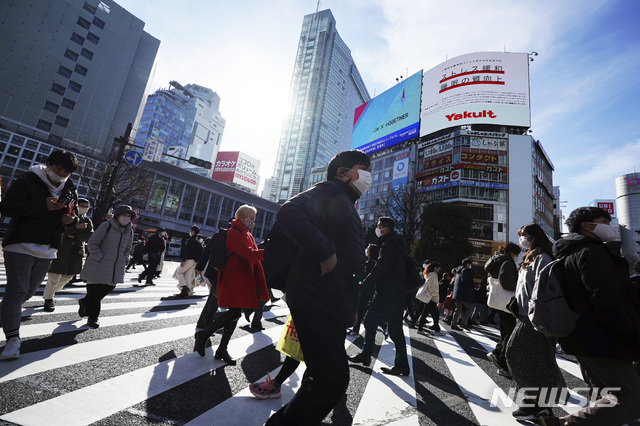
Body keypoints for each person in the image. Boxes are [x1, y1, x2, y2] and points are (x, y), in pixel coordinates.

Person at [265, 150, 370, 425]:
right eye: (363, 169)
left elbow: (352, 264)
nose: (368, 176)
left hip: (330, 301)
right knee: (331, 379)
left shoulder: (346, 203)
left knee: (320, 377)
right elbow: (289, 211)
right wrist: (325, 252)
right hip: (316, 297)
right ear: (342, 172)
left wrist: (353, 307)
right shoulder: (330, 191)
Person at [539, 207, 640, 426]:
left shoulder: (568, 254)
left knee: (603, 397)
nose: (610, 226)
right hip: (604, 339)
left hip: (581, 337)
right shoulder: (592, 252)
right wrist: (631, 334)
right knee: (632, 401)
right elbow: (606, 300)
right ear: (586, 225)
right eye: (604, 221)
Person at [0, 150, 78, 360]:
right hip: (20, 244)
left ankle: (7, 315)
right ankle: (13, 340)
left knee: (27, 293)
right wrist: (42, 205)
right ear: (48, 164)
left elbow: (73, 213)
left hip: (48, 248)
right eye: (58, 168)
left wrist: (70, 220)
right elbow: (7, 207)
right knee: (16, 292)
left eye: (66, 171)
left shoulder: (70, 189)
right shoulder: (27, 180)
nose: (61, 173)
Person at [505, 223, 565, 421]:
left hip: (536, 316)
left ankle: (536, 405)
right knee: (536, 360)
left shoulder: (543, 258)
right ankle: (538, 407)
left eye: (524, 235)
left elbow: (546, 291)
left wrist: (544, 319)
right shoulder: (531, 256)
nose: (521, 238)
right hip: (526, 315)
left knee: (515, 353)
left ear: (533, 236)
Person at [194, 205, 269, 365]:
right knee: (234, 313)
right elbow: (248, 253)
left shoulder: (245, 233)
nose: (254, 221)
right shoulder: (234, 233)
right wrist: (269, 252)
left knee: (235, 314)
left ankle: (222, 349)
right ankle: (205, 334)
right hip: (233, 278)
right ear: (242, 217)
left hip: (241, 279)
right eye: (252, 218)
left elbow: (251, 254)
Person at [349, 216, 410, 376]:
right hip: (391, 293)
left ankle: (396, 362)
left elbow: (380, 268)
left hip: (388, 294)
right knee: (372, 322)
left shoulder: (389, 245)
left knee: (390, 328)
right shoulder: (394, 243)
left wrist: (362, 286)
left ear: (386, 229)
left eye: (378, 226)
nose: (376, 228)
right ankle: (368, 355)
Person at [77, 205, 135, 328]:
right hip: (97, 265)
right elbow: (92, 243)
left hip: (115, 268)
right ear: (118, 215)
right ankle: (93, 318)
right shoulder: (106, 226)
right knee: (94, 294)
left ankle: (85, 302)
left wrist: (125, 258)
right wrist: (100, 257)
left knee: (107, 289)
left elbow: (128, 248)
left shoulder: (129, 231)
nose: (126, 218)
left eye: (129, 216)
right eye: (124, 215)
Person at [42, 198, 93, 312]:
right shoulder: (66, 216)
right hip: (61, 249)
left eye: (86, 206)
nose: (84, 207)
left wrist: (74, 236)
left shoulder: (88, 221)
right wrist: (76, 228)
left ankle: (52, 291)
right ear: (76, 205)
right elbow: (60, 230)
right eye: (82, 205)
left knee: (69, 276)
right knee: (54, 275)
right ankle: (49, 299)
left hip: (77, 252)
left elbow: (89, 236)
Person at [485, 242, 521, 379]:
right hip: (506, 302)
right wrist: (518, 286)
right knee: (510, 332)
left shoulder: (497, 260)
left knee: (506, 330)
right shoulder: (506, 262)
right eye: (517, 253)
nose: (517, 256)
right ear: (512, 252)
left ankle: (496, 353)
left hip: (498, 301)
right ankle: (503, 364)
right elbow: (506, 282)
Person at [348, 243, 379, 336]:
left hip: (364, 291)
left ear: (370, 252)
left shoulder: (369, 263)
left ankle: (355, 330)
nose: (366, 250)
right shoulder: (376, 263)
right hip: (370, 291)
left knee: (359, 311)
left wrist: (359, 286)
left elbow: (362, 277)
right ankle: (355, 330)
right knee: (361, 311)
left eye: (368, 249)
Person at [176, 225, 204, 297]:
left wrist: (183, 260)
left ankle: (184, 287)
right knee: (188, 275)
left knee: (179, 273)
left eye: (191, 230)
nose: (190, 232)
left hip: (189, 259)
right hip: (195, 261)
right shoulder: (198, 242)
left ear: (193, 231)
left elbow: (187, 251)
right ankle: (186, 291)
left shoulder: (190, 240)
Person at [416, 262, 442, 334]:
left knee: (427, 314)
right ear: (435, 268)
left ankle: (420, 329)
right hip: (431, 298)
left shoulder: (430, 275)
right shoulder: (433, 276)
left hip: (429, 298)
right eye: (438, 267)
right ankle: (436, 330)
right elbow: (431, 288)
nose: (439, 269)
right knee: (435, 314)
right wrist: (435, 295)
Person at [450, 258, 475, 331]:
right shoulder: (466, 271)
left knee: (458, 309)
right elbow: (465, 282)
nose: (470, 266)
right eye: (470, 264)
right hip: (464, 294)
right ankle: (463, 322)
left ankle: (453, 324)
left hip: (457, 293)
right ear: (467, 264)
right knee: (470, 308)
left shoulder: (458, 271)